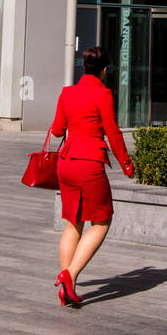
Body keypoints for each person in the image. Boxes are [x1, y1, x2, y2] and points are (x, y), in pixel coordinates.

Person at [49, 46, 134, 306]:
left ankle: (67, 286)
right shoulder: (103, 94)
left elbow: (56, 131)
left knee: (73, 222)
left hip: (66, 163)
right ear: (105, 71)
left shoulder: (67, 92)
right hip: (89, 164)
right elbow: (112, 131)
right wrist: (127, 164)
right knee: (102, 221)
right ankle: (69, 275)